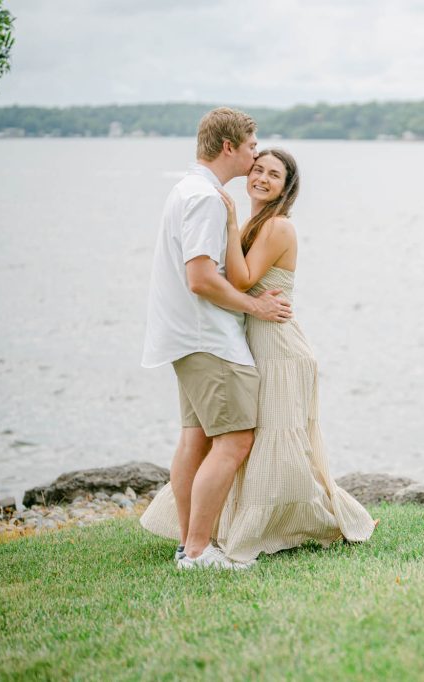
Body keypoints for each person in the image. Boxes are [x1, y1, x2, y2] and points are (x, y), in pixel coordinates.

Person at [142, 148, 377, 566]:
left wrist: (230, 224)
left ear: (287, 188)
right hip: (253, 339)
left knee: (278, 439)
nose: (263, 178)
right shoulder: (253, 222)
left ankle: (300, 521)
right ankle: (212, 536)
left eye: (275, 175)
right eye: (259, 169)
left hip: (279, 346)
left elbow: (242, 279)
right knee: (249, 439)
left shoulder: (276, 227)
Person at [139, 108, 292, 570]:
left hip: (185, 336)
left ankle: (189, 544)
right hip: (209, 338)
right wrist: (257, 307)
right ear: (229, 147)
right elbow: (202, 279)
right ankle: (201, 550)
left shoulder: (187, 189)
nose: (254, 153)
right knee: (235, 440)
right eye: (251, 146)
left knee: (196, 440)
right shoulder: (206, 198)